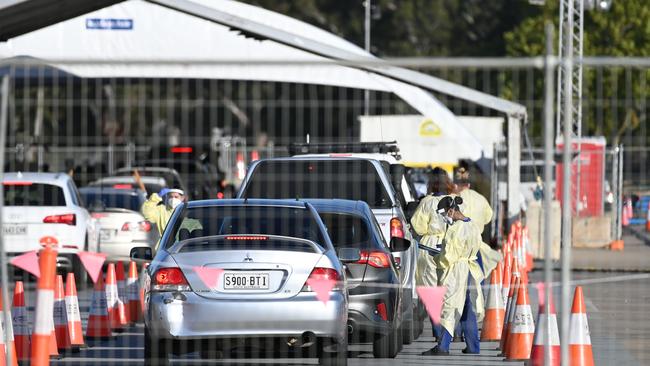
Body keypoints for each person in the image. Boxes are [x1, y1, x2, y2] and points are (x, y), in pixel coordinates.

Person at [421, 195, 484, 356]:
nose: (444, 218)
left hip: (456, 271)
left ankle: (442, 347)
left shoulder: (455, 229)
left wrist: (436, 255)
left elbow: (448, 256)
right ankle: (473, 346)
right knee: (466, 308)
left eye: (444, 214)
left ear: (451, 211)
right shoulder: (473, 226)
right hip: (470, 269)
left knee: (449, 307)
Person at [412, 167, 453, 339]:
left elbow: (417, 226)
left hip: (429, 247)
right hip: (449, 246)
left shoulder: (427, 202)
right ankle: (451, 331)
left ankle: (438, 333)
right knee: (449, 291)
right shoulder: (454, 201)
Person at [454, 164, 502, 278]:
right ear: (469, 184)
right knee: (478, 280)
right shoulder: (481, 199)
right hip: (477, 247)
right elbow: (488, 217)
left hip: (457, 248)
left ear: (456, 184)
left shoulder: (453, 198)